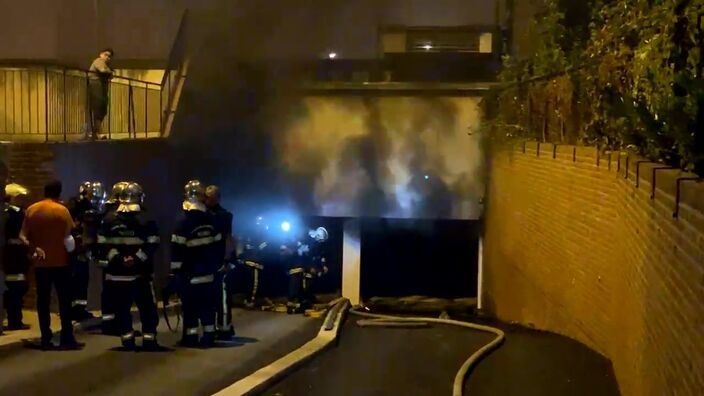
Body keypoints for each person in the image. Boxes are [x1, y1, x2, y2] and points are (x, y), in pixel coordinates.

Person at [97, 182, 160, 350]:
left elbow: (102, 245)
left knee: (122, 309)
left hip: (117, 275)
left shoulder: (108, 220)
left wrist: (119, 259)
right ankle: (149, 340)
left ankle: (127, 340)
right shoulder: (146, 219)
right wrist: (136, 259)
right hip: (141, 275)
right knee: (147, 309)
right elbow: (152, 244)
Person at [20, 180, 83, 350]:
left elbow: (23, 235)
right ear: (59, 192)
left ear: (44, 191)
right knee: (64, 301)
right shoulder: (62, 211)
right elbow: (69, 236)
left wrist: (35, 248)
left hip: (41, 263)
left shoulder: (32, 210)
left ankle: (46, 337)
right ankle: (66, 337)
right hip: (61, 262)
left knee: (43, 301)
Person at [170, 180, 222, 348]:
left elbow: (176, 250)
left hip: (189, 274)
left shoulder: (182, 221)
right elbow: (218, 245)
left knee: (190, 308)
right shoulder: (211, 219)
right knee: (207, 306)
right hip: (208, 272)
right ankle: (208, 336)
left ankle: (190, 338)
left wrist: (175, 274)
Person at [67, 181, 106, 322]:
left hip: (83, 250)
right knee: (77, 279)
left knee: (82, 280)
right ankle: (74, 310)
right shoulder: (76, 208)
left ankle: (79, 309)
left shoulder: (89, 210)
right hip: (76, 250)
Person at [97, 181, 130, 335]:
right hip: (112, 261)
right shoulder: (113, 216)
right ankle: (113, 324)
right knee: (114, 294)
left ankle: (110, 323)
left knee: (110, 292)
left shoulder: (107, 214)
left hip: (109, 260)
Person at [204, 185, 236, 340]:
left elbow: (228, 238)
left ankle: (224, 327)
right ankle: (212, 327)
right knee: (210, 296)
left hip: (219, 260)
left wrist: (227, 259)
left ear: (217, 198)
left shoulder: (224, 216)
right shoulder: (202, 214)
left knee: (222, 296)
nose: (207, 200)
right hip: (206, 262)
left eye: (210, 197)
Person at [3, 183, 31, 330]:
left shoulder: (6, 212)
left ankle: (13, 319)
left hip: (11, 258)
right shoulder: (16, 213)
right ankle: (15, 320)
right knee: (16, 289)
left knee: (13, 289)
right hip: (15, 258)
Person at [285, 226, 329, 314]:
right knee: (297, 284)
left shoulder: (315, 245)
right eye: (319, 240)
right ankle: (296, 303)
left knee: (306, 284)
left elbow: (316, 257)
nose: (319, 242)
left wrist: (322, 267)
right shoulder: (308, 240)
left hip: (304, 267)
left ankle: (303, 302)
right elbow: (305, 255)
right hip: (298, 266)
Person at [237, 215, 269, 310]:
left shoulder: (249, 232)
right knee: (253, 283)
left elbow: (243, 246)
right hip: (254, 262)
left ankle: (249, 300)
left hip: (249, 261)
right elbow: (263, 246)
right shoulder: (261, 234)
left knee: (249, 283)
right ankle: (250, 301)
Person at [87, 48, 114, 139]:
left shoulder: (106, 64)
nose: (107, 57)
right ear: (101, 54)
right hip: (95, 84)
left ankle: (95, 131)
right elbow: (103, 70)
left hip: (101, 87)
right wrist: (109, 72)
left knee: (102, 109)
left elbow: (111, 75)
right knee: (97, 107)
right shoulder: (98, 61)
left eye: (109, 56)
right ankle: (94, 132)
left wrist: (109, 72)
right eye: (106, 55)